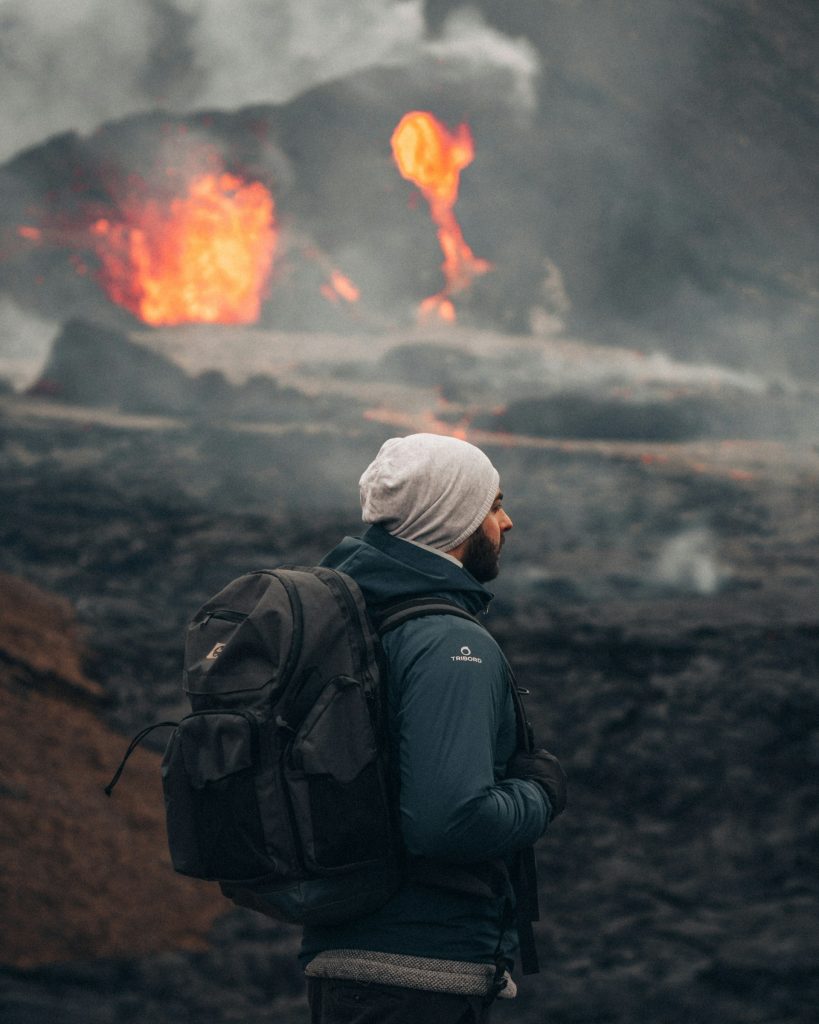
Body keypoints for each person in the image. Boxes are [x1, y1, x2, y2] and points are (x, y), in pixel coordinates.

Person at [302, 432, 567, 1024]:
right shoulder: (449, 641)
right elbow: (451, 822)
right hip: (420, 977)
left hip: (346, 957)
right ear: (455, 519)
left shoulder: (352, 619)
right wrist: (542, 791)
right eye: (493, 505)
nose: (508, 521)